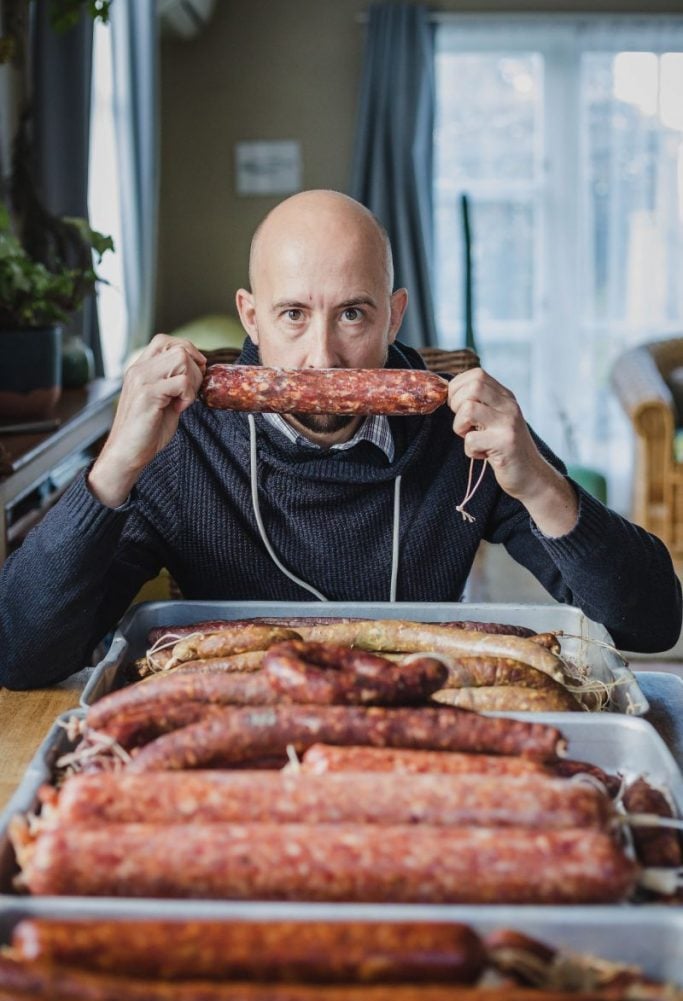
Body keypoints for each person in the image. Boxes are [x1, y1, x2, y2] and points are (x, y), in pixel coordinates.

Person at [0, 189, 680, 689]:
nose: (321, 356)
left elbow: (649, 625)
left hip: (418, 714)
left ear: (394, 314)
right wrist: (114, 466)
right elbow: (21, 654)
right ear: (251, 316)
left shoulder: (463, 433)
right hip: (235, 719)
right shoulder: (181, 442)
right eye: (292, 315)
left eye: (352, 313)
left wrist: (538, 482)